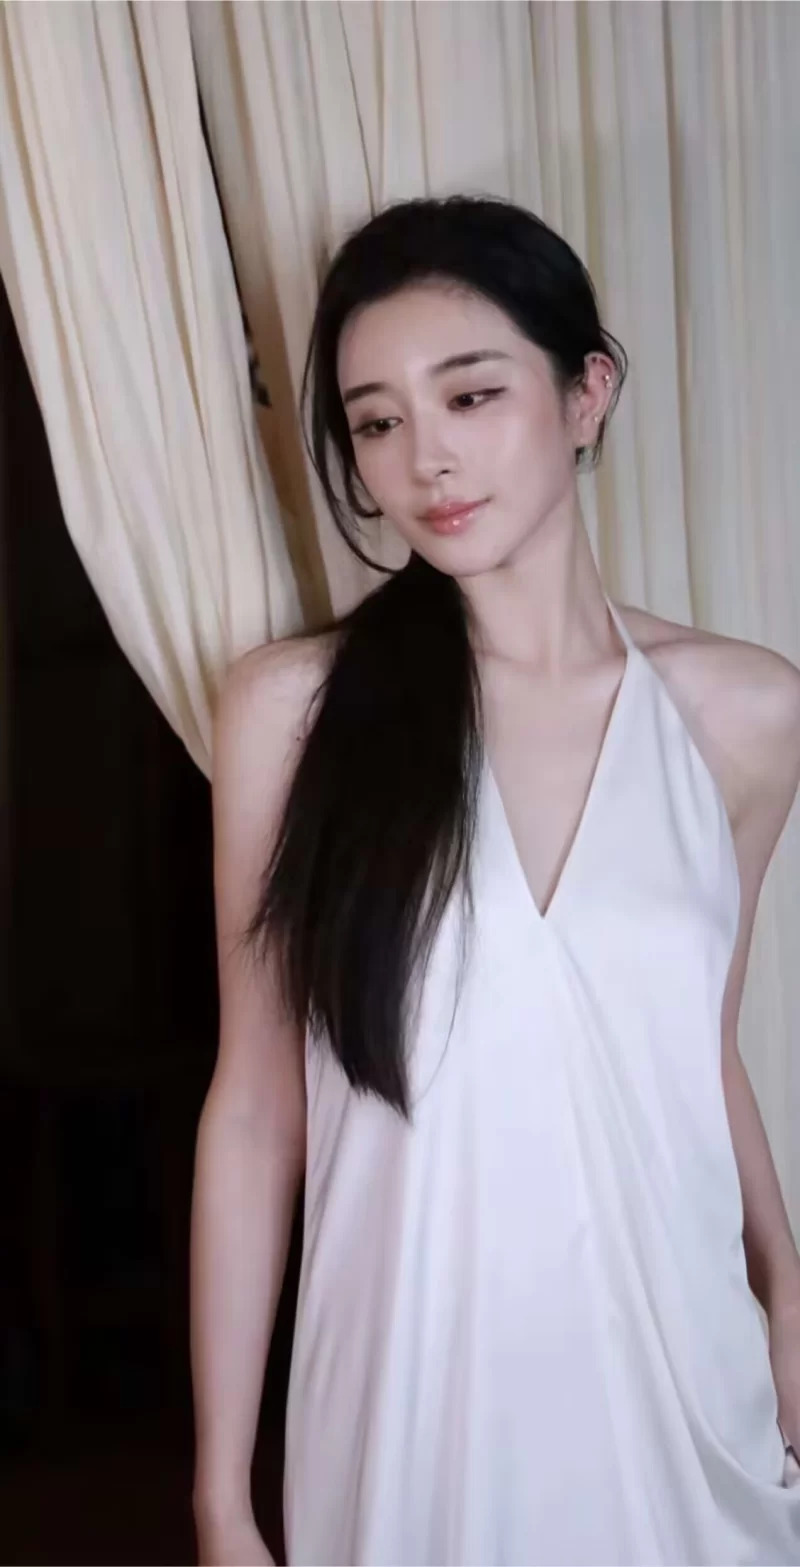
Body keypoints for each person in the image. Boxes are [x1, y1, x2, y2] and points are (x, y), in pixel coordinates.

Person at [190, 195, 800, 1566]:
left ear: (587, 394)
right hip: (411, 1400)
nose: (427, 458)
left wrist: (787, 1286)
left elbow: (696, 1049)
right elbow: (256, 1110)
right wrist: (222, 1497)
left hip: (682, 1388)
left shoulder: (747, 713)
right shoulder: (291, 712)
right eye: (377, 422)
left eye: (471, 395)